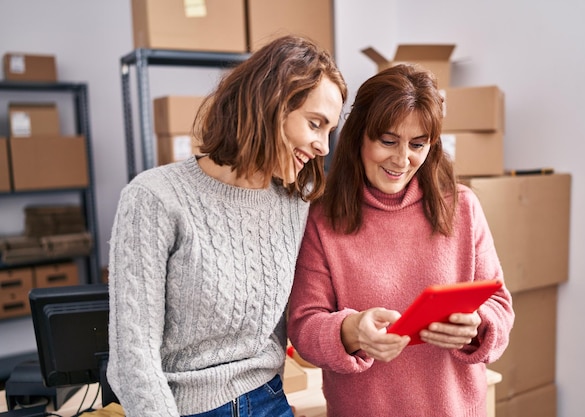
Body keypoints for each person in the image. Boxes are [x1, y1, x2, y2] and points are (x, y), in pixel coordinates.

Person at [106, 35, 347, 417]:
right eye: (315, 124)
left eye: (329, 131)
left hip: (270, 400)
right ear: (271, 104)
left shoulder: (296, 201)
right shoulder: (154, 198)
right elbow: (132, 358)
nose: (323, 146)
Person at [287, 64, 515, 417]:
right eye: (388, 141)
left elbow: (498, 303)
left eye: (417, 144)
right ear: (359, 135)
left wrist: (478, 325)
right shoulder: (322, 218)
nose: (401, 159)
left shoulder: (462, 206)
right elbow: (304, 325)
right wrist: (351, 332)